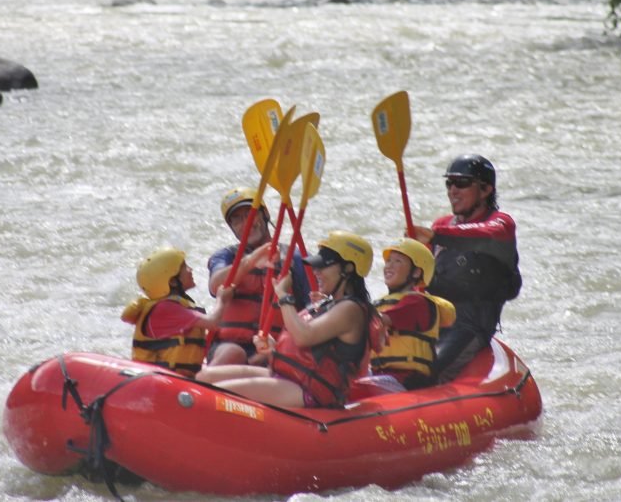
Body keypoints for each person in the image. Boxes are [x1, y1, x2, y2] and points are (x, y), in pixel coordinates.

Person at [196, 231, 380, 408]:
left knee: (213, 395)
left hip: (309, 390)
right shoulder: (329, 305)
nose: (316, 271)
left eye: (324, 265)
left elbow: (304, 336)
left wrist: (283, 296)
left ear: (348, 269)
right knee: (204, 379)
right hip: (290, 376)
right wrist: (273, 348)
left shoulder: (351, 309)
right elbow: (310, 349)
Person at [413, 154, 522, 382]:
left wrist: (437, 236)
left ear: (485, 190)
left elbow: (483, 235)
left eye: (461, 183)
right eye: (449, 183)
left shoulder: (501, 225)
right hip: (433, 322)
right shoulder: (441, 225)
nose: (453, 190)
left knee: (423, 373)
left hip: (469, 327)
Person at [205, 187, 311, 365]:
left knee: (267, 357)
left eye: (250, 214)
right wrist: (251, 260)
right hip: (228, 346)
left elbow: (312, 308)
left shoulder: (296, 257)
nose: (245, 223)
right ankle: (206, 385)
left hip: (275, 347)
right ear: (231, 227)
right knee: (233, 353)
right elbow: (216, 286)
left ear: (265, 214)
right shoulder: (226, 256)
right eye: (237, 219)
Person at [121, 247, 233, 377]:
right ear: (173, 282)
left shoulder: (171, 306)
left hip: (176, 376)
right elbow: (212, 323)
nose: (190, 270)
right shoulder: (166, 308)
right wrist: (222, 299)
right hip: (163, 379)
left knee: (231, 354)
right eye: (185, 267)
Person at [370, 238, 456, 389]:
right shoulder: (379, 304)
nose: (389, 266)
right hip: (381, 374)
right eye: (388, 261)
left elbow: (375, 321)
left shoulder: (417, 303)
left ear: (416, 272)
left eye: (397, 261)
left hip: (408, 380)